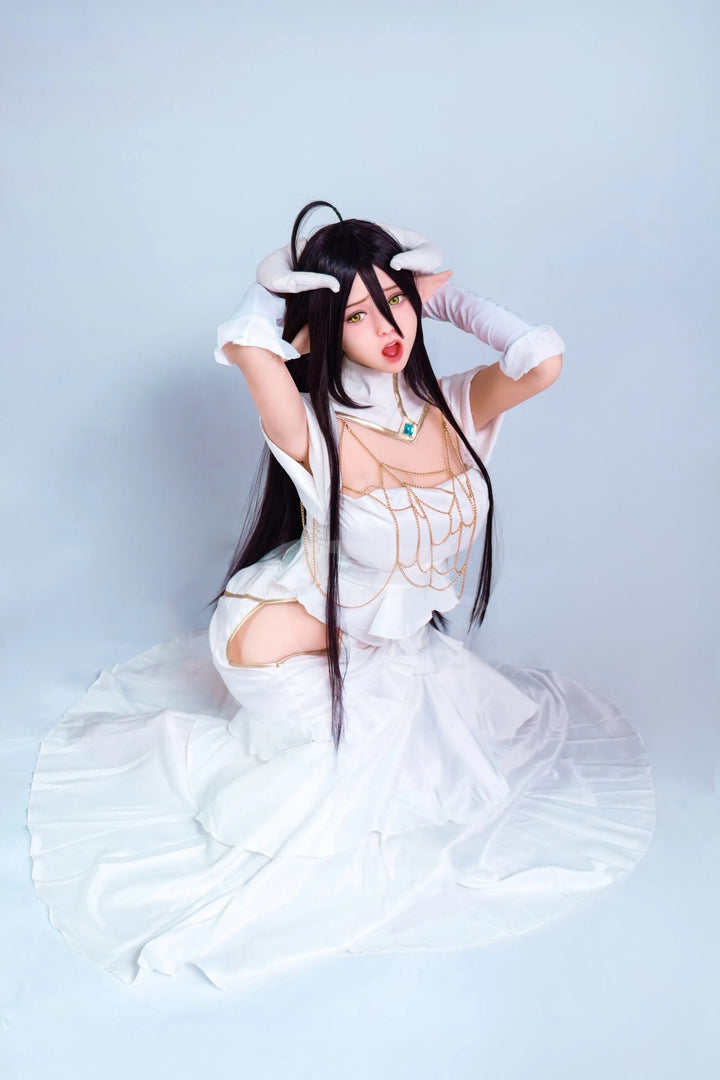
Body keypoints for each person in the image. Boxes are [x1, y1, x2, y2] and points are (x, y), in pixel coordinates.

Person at [27, 200, 656, 989]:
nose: (387, 327)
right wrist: (284, 291)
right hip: (278, 645)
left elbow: (542, 360)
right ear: (325, 329)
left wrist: (440, 299)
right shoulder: (309, 424)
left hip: (378, 644)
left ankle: (375, 687)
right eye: (358, 315)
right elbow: (245, 344)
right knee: (332, 798)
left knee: (423, 767)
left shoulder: (455, 407)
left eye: (395, 303)